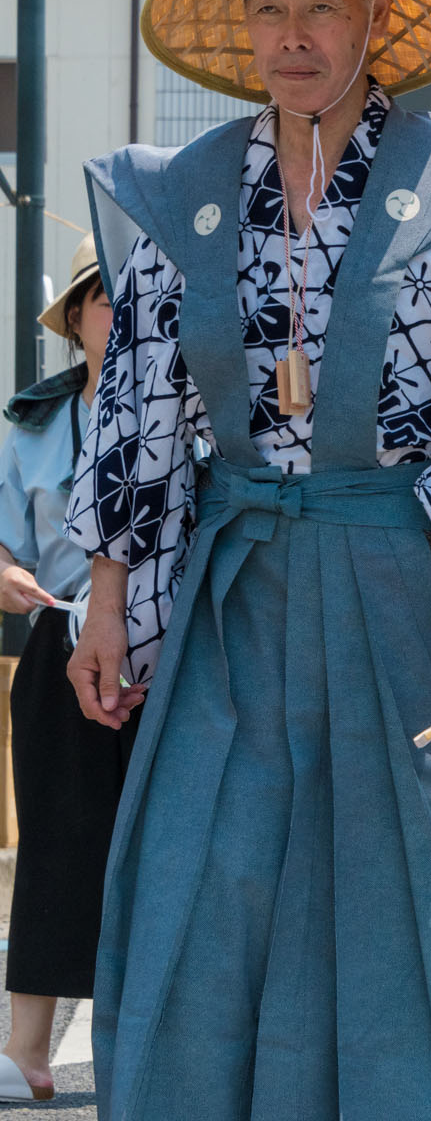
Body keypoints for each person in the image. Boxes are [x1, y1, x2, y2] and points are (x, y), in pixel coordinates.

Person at [64, 0, 431, 1116]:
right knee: (195, 872)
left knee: (381, 886)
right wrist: (105, 604)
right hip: (230, 580)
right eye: (271, 9)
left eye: (322, 4)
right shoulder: (186, 194)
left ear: (376, 22)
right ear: (244, 29)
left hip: (394, 582)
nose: (295, 34)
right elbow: (138, 410)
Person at [0, 236, 132, 1104]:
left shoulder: (196, 411)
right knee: (53, 840)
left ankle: (148, 1034)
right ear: (77, 318)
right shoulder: (30, 423)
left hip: (166, 648)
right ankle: (25, 1047)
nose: (119, 318)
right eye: (103, 299)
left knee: (157, 843)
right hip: (57, 642)